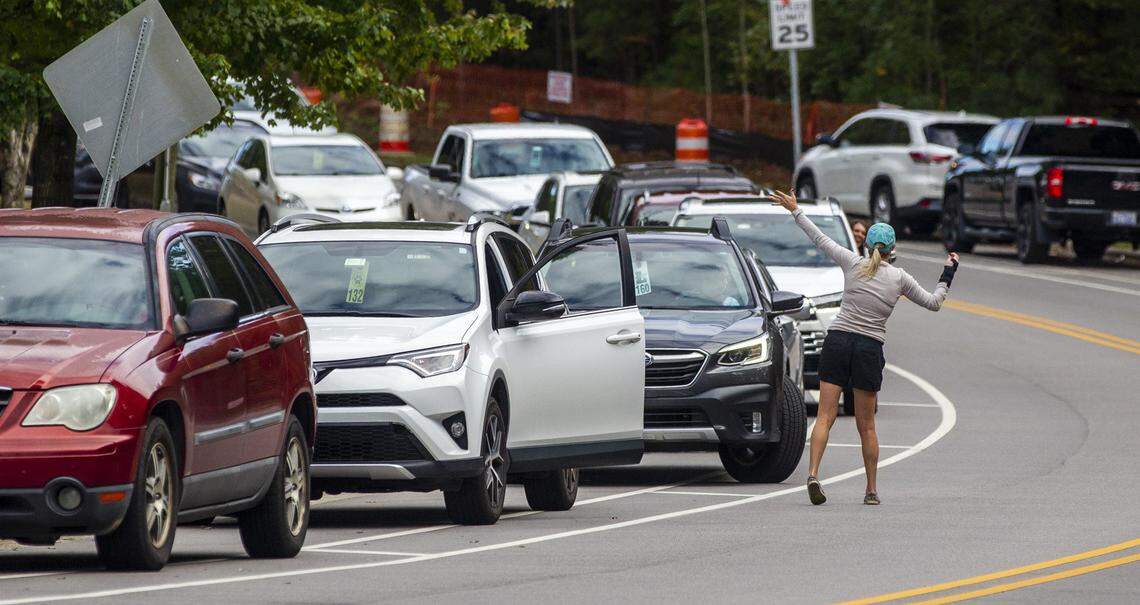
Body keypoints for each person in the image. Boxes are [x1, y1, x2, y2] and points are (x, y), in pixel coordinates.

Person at [768, 191, 959, 506]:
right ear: (893, 250)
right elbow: (934, 302)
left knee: (825, 416)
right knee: (866, 425)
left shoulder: (852, 262)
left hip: (838, 341)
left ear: (866, 246)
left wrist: (796, 210)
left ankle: (813, 473)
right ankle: (871, 490)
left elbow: (819, 239)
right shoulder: (900, 278)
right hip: (869, 348)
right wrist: (948, 272)